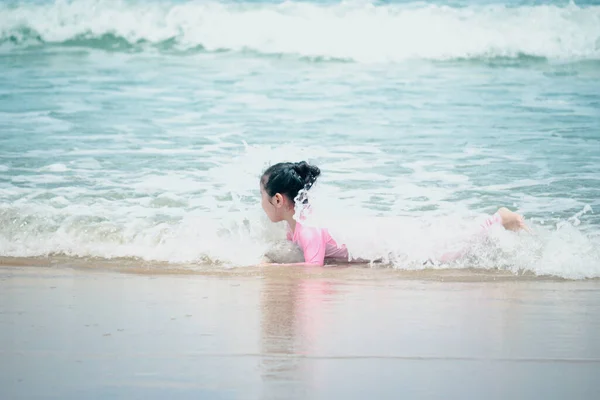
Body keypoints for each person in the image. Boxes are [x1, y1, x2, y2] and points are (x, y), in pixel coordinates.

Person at [260, 161, 528, 267]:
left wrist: (267, 269)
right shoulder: (296, 223)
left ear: (278, 199)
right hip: (381, 234)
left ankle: (497, 219)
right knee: (447, 240)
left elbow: (312, 269)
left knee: (449, 251)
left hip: (390, 243)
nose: (261, 204)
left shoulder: (308, 228)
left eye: (263, 198)